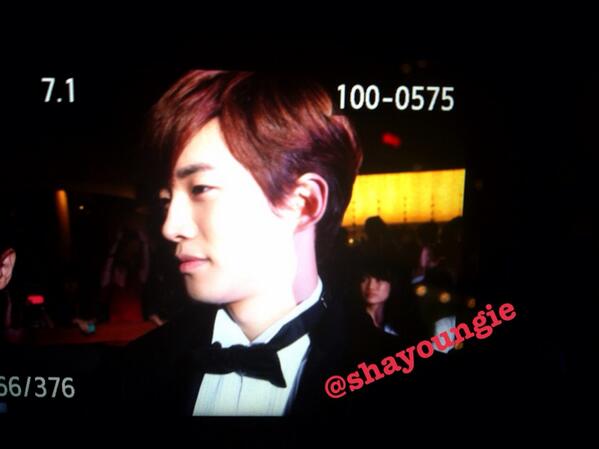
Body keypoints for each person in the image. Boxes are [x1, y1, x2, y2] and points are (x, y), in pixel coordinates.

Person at [110, 70, 397, 417]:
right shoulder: (135, 370)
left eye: (201, 188)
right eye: (166, 201)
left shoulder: (395, 376)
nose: (170, 227)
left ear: (303, 202)